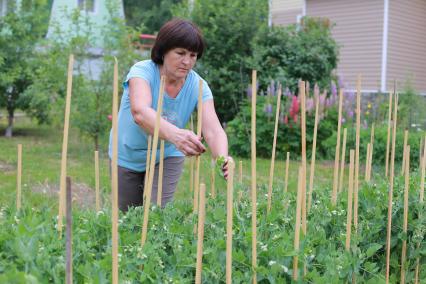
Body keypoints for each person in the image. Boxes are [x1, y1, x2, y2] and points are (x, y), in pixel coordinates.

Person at [109, 18, 232, 211]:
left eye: (193, 55)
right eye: (180, 53)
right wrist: (176, 135)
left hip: (167, 155)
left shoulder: (198, 86)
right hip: (128, 153)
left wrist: (223, 158)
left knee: (157, 215)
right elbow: (140, 113)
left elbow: (214, 131)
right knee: (127, 219)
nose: (187, 61)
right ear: (163, 50)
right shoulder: (142, 72)